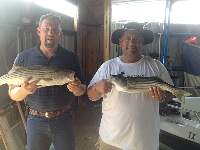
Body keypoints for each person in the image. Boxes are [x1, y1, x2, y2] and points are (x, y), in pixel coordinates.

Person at [87, 23, 173, 150]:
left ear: (142, 43)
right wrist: (96, 88)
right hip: (111, 141)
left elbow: (170, 95)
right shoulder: (108, 66)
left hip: (145, 142)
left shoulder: (156, 66)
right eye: (128, 38)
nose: (132, 43)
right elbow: (90, 96)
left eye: (137, 39)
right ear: (120, 42)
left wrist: (163, 97)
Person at [8, 14, 86, 150]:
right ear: (39, 31)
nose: (50, 33)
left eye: (55, 30)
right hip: (35, 121)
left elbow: (83, 89)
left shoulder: (71, 57)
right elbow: (13, 94)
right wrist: (24, 90)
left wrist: (78, 89)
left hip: (64, 119)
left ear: (60, 33)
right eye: (46, 29)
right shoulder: (23, 57)